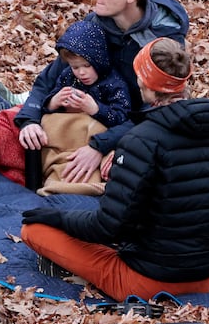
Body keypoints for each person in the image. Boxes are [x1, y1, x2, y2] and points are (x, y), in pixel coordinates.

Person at [19, 38, 209, 301]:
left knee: (33, 230)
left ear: (144, 82)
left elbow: (108, 227)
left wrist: (58, 218)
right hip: (204, 277)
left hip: (146, 281)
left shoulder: (139, 140)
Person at [58, 0, 190, 185]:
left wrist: (102, 145)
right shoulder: (94, 25)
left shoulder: (162, 43)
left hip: (139, 132)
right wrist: (30, 119)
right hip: (98, 115)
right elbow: (52, 77)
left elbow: (158, 112)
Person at [13, 19, 131, 193]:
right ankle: (45, 179)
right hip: (62, 133)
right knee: (42, 134)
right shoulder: (69, 76)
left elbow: (121, 115)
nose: (81, 72)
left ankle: (77, 184)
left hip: (90, 135)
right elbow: (48, 99)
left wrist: (96, 109)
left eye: (87, 66)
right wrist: (54, 102)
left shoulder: (113, 83)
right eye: (75, 67)